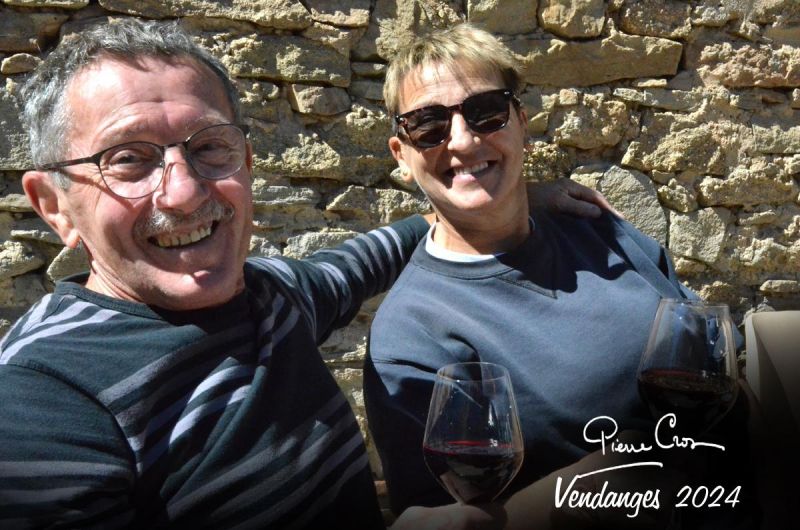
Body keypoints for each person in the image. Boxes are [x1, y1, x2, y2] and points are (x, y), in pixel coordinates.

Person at [0, 18, 609, 530]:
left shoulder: (272, 296)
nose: (184, 192)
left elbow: (375, 252)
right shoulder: (39, 404)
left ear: (246, 161)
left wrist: (505, 195)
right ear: (54, 206)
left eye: (209, 147)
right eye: (128, 159)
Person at [364, 23, 757, 528]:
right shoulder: (413, 334)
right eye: (427, 124)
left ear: (521, 123)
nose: (462, 139)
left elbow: (719, 358)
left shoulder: (599, 231)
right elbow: (444, 521)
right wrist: (595, 487)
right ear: (401, 155)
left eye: (486, 111)